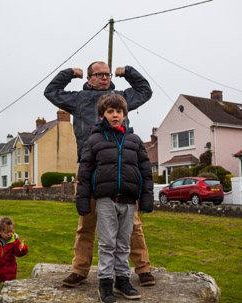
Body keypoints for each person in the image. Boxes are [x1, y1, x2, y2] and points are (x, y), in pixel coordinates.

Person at [44, 61, 155, 287]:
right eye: (99, 74)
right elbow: (51, 92)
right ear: (89, 78)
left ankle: (143, 269)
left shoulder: (120, 98)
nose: (105, 77)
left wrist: (129, 72)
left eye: (107, 74)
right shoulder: (78, 99)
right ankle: (80, 270)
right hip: (91, 168)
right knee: (86, 222)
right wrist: (68, 73)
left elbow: (145, 91)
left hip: (121, 168)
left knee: (131, 224)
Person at [76, 93, 154, 302]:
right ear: (102, 115)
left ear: (124, 115)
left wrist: (146, 199)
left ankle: (122, 281)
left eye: (119, 111)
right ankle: (105, 283)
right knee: (107, 243)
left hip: (129, 201)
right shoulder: (94, 140)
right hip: (105, 201)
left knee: (123, 244)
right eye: (110, 111)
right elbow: (84, 173)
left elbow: (145, 172)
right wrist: (82, 200)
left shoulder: (134, 141)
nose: (115, 115)